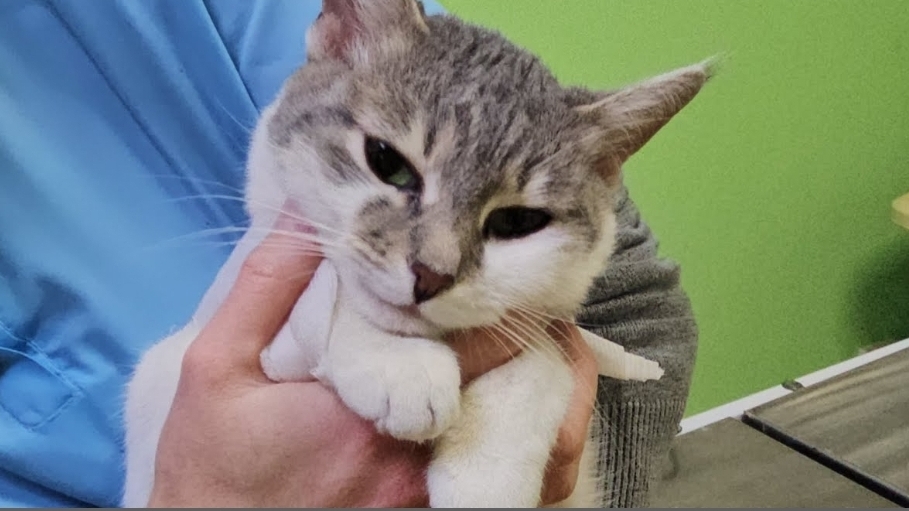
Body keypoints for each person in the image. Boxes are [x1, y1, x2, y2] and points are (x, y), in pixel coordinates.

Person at [0, 0, 697, 507]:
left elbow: (635, 308)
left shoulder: (410, 57)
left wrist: (539, 424)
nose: (434, 265)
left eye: (513, 220)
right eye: (392, 164)